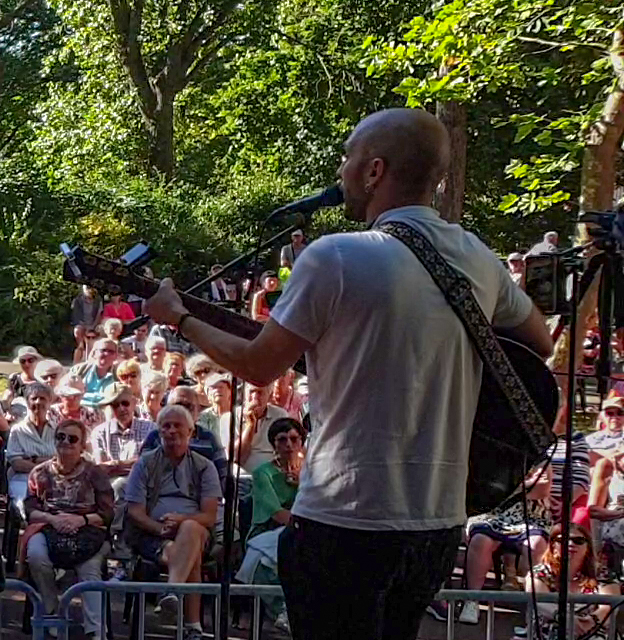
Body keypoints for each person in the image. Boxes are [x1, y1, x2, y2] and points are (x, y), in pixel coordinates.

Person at [145, 108, 552, 640]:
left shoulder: (335, 256)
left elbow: (259, 363)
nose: (341, 169)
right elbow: (540, 341)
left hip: (346, 518)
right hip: (438, 520)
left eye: (348, 157)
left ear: (374, 170)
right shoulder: (476, 255)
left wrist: (179, 318)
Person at [122, 405, 220, 638]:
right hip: (151, 532)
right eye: (166, 426)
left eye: (178, 425)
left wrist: (181, 520)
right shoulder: (145, 464)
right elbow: (134, 511)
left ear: (190, 431)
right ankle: (193, 627)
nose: (172, 431)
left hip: (195, 529)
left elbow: (209, 516)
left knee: (191, 528)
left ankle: (171, 590)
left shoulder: (204, 467)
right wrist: (161, 529)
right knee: (190, 554)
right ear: (159, 432)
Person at [22, 419, 113, 637]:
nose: (65, 442)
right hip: (47, 526)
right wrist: (53, 520)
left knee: (89, 568)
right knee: (35, 555)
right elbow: (30, 510)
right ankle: (52, 613)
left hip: (89, 529)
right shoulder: (40, 472)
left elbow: (108, 512)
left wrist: (80, 520)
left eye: (72, 439)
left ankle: (96, 631)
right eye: (60, 437)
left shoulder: (95, 473)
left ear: (82, 446)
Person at [237, 417, 305, 631]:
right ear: (273, 444)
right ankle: (283, 610)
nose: (289, 445)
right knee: (264, 559)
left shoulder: (312, 472)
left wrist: (303, 483)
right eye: (282, 439)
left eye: (294, 439)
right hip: (268, 531)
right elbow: (276, 513)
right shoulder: (262, 473)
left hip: (305, 530)